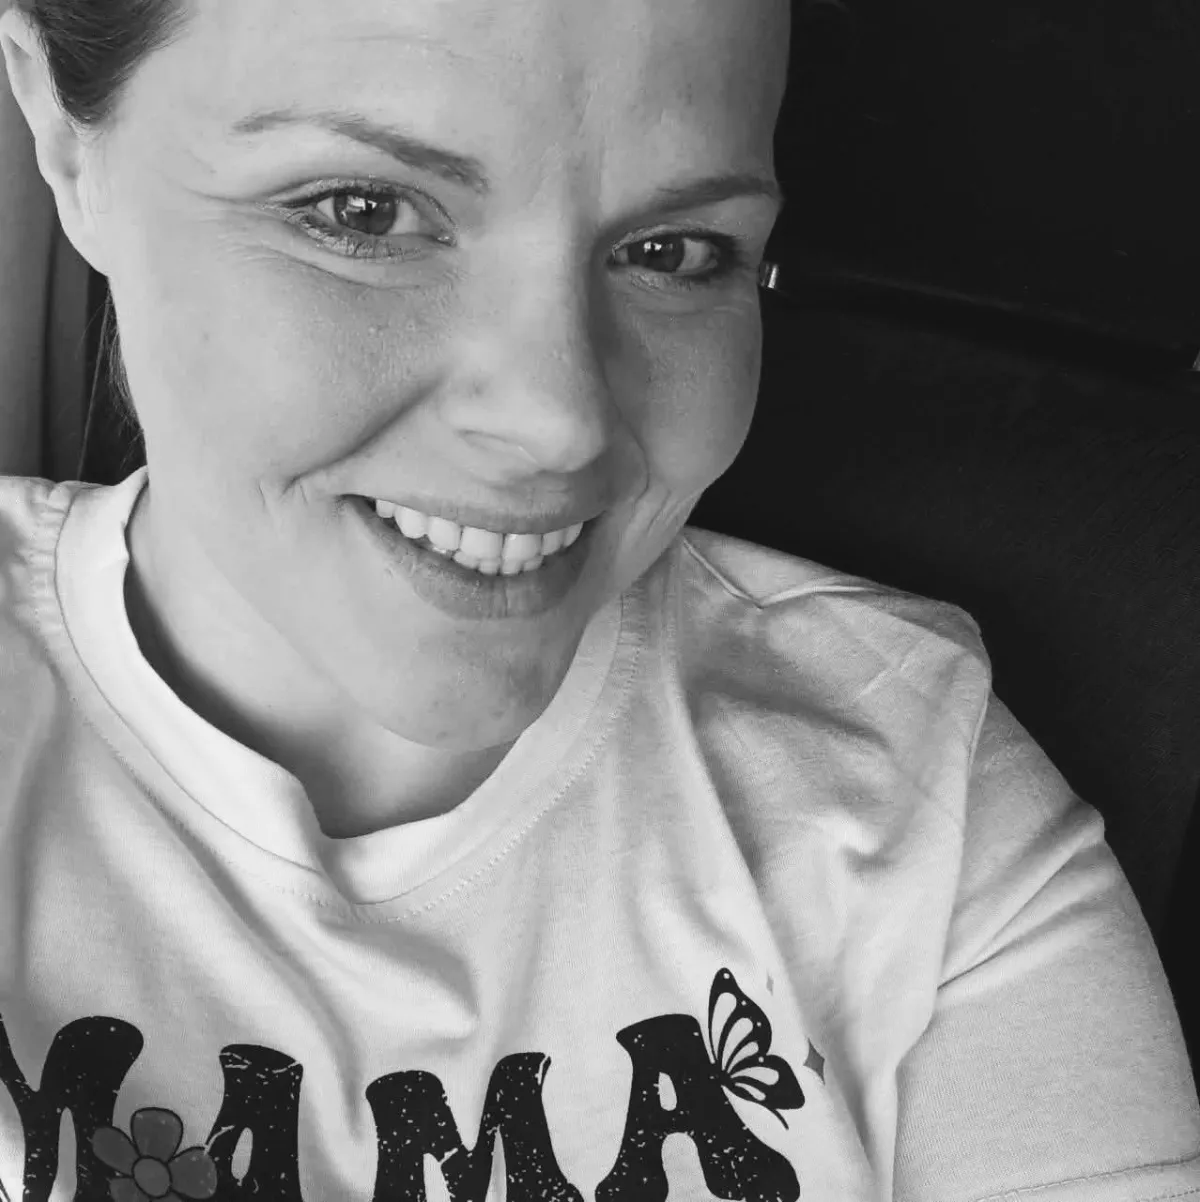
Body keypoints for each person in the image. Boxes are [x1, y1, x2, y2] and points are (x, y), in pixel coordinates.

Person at [0, 0, 1197, 1199]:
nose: (559, 423)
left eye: (674, 251)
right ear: (61, 131)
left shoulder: (919, 802)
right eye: (363, 213)